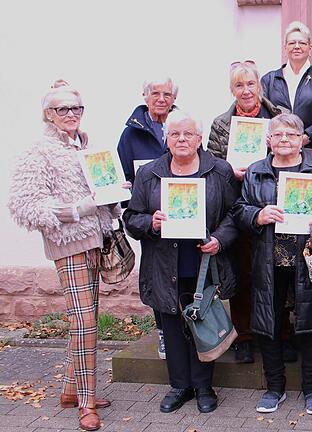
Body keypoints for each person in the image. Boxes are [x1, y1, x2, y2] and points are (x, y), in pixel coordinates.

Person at [8, 81, 127, 431]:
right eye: (63, 109)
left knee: (88, 314)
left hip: (96, 241)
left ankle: (71, 390)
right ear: (48, 114)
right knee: (84, 322)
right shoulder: (40, 152)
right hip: (69, 245)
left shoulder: (86, 146)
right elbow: (25, 204)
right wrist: (78, 210)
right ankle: (87, 404)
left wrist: (113, 198)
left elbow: (98, 194)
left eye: (76, 108)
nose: (71, 114)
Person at [123, 111, 239, 415]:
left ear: (200, 139)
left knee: (202, 321)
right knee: (172, 326)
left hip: (202, 263)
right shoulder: (149, 174)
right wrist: (151, 222)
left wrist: (220, 239)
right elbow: (131, 218)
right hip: (164, 265)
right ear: (166, 139)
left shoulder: (219, 170)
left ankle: (203, 387)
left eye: (188, 134)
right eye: (175, 134)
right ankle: (179, 386)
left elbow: (234, 213)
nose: (182, 139)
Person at [232, 113, 312, 415]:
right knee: (268, 323)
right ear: (268, 140)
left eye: (292, 135)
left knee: (310, 324)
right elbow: (239, 209)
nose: (285, 140)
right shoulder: (256, 171)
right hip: (269, 260)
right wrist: (257, 215)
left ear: (301, 140)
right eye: (278, 135)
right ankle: (274, 388)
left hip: (308, 257)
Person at [206, 60, 282, 364]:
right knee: (243, 272)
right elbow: (212, 163)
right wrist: (229, 170)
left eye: (250, 84)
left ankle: (281, 334)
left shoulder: (277, 117)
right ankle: (245, 335)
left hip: (273, 203)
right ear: (231, 89)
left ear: (259, 86)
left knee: (278, 271)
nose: (246, 90)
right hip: (237, 204)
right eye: (239, 85)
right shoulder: (222, 123)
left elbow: (293, 153)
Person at [116, 76, 178, 359]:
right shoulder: (131, 133)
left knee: (183, 275)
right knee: (157, 276)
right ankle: (164, 333)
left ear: (174, 98)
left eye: (167, 94)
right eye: (156, 93)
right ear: (145, 95)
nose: (161, 99)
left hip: (180, 213)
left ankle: (185, 332)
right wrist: (133, 200)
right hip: (150, 215)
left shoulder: (181, 125)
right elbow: (123, 173)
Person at [261, 21, 312, 156]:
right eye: (292, 43)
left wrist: (306, 136)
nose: (297, 47)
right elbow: (263, 115)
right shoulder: (269, 79)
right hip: (277, 151)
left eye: (302, 43)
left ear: (310, 48)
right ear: (285, 48)